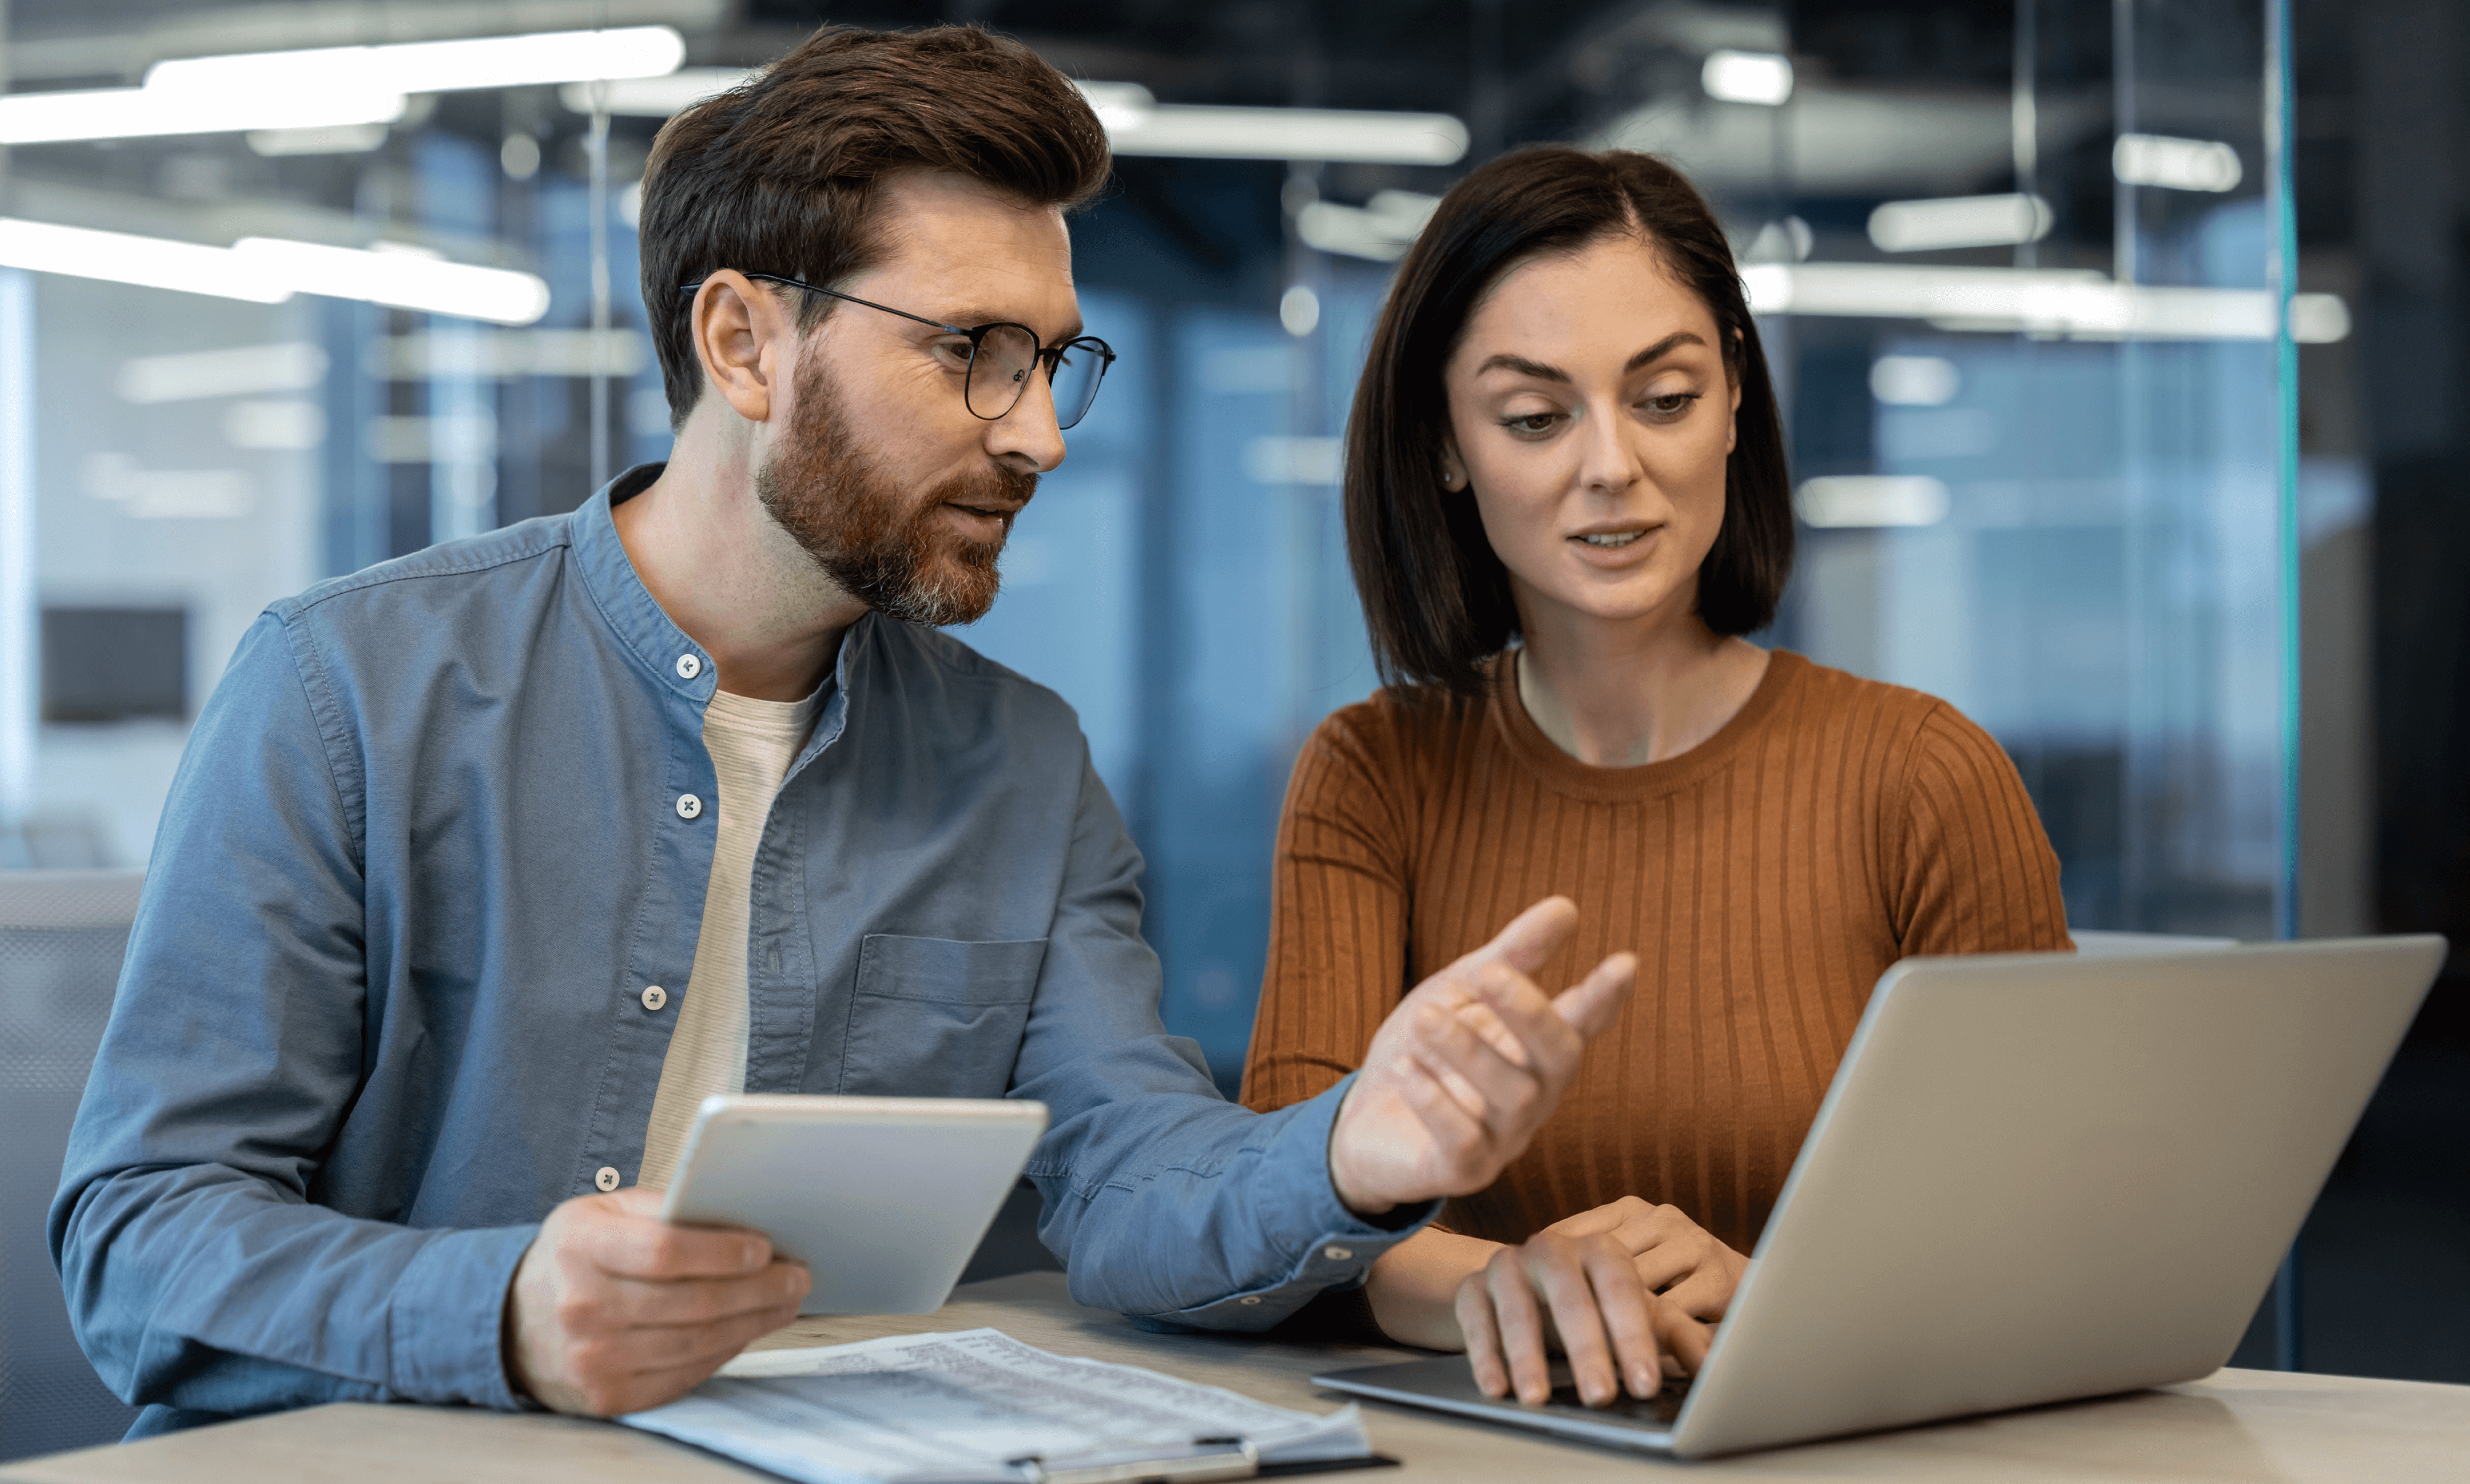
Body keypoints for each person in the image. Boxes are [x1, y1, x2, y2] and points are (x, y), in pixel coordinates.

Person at [50, 27, 1639, 1433]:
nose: (1035, 434)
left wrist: (1357, 1145)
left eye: (1051, 362)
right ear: (744, 342)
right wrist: (503, 1311)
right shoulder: (348, 686)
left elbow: (1131, 1178)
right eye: (970, 354)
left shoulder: (1019, 765)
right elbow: (139, 1238)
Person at [1241, 146, 2072, 1410]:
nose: (1612, 465)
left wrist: (1781, 1287)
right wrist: (1511, 1283)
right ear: (1449, 447)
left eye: (1666, 397)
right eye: (1534, 416)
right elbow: (1285, 1216)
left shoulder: (1922, 774)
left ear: (1736, 396)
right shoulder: (1375, 774)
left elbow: (2049, 1231)